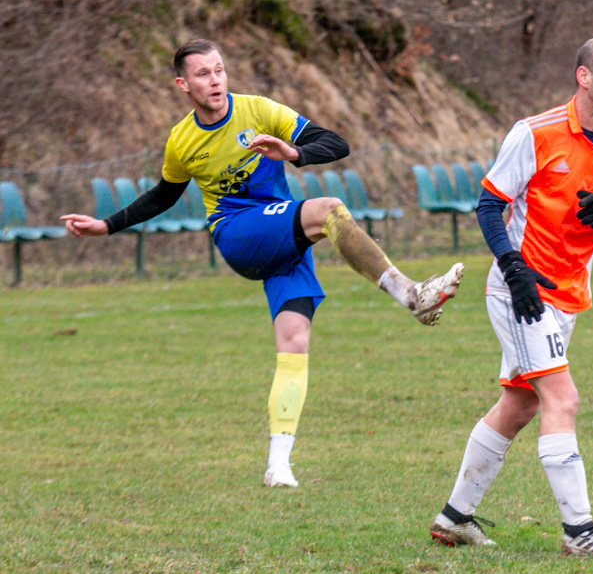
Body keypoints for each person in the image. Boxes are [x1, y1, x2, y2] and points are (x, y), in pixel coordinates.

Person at [61, 39, 464, 489]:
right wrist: (107, 225)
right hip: (239, 233)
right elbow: (165, 194)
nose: (214, 80)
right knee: (328, 209)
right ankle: (411, 295)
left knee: (294, 343)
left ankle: (279, 465)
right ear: (182, 84)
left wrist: (292, 153)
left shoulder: (259, 110)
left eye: (219, 70)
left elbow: (335, 143)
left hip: (282, 235)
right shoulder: (182, 139)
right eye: (202, 74)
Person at [428, 38, 593, 559]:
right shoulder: (534, 132)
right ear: (584, 77)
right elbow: (488, 206)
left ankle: (454, 518)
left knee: (520, 402)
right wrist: (513, 266)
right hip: (519, 291)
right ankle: (580, 530)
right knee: (561, 398)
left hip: (568, 292)